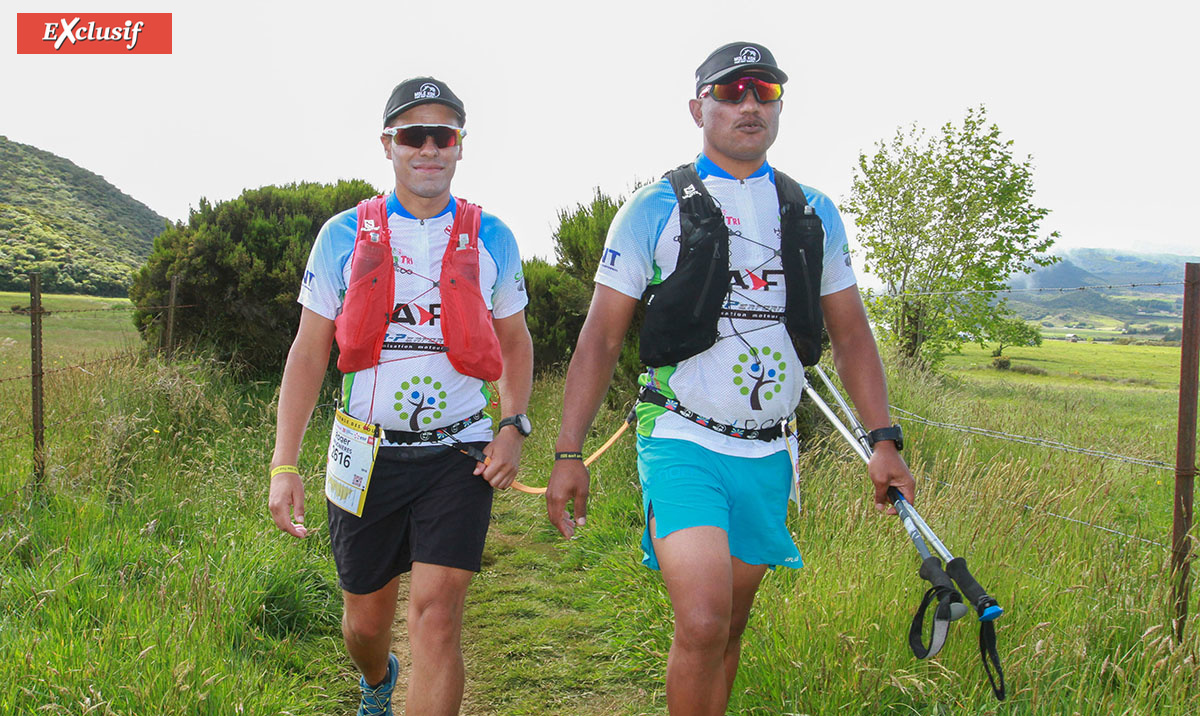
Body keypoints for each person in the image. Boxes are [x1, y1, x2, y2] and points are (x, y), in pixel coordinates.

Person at [544, 42, 916, 715]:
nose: (749, 104)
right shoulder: (652, 208)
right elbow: (599, 336)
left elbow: (853, 333)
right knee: (705, 621)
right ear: (699, 108)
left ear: (778, 107)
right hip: (680, 438)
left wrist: (882, 438)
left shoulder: (813, 214)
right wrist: (569, 452)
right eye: (732, 91)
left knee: (731, 628)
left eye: (765, 92)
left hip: (770, 448)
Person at [268, 76, 534, 716]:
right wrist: (285, 463)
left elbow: (517, 343)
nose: (428, 149)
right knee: (364, 625)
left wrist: (512, 425)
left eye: (442, 136)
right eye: (413, 135)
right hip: (363, 454)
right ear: (388, 144)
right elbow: (308, 353)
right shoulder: (342, 235)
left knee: (437, 619)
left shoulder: (492, 235)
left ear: (459, 147)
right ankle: (376, 677)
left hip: (457, 452)